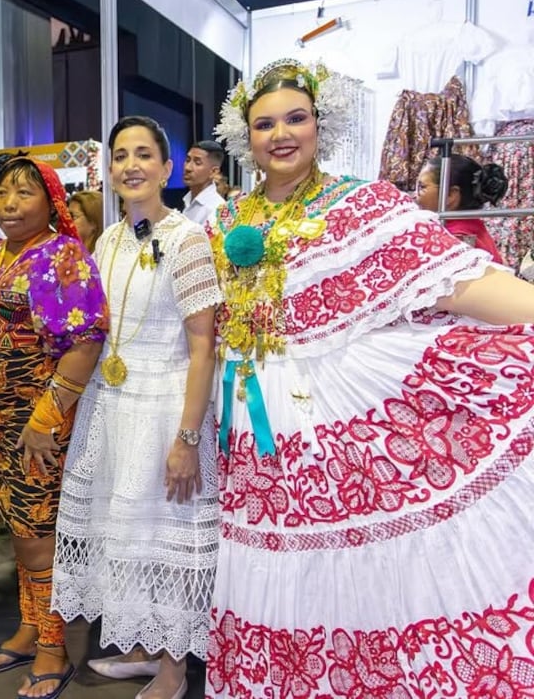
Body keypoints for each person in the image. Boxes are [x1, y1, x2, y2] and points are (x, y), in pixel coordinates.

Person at [205, 58, 534, 698]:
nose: (281, 135)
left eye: (296, 118)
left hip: (336, 423)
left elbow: (458, 281)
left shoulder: (363, 204)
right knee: (274, 565)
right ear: (245, 135)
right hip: (251, 420)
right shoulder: (225, 219)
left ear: (319, 124)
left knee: (354, 571)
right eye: (265, 123)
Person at [53, 117, 222, 699]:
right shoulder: (109, 239)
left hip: (164, 406)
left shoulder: (187, 238)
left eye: (144, 154)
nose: (130, 165)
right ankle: (143, 646)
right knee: (123, 532)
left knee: (165, 535)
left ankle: (174, 669)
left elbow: (204, 347)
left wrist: (188, 438)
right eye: (120, 155)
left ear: (167, 168)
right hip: (112, 401)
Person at [0, 157, 107, 699]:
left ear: (50, 200)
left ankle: (54, 647)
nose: (9, 204)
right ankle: (30, 628)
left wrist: (46, 417)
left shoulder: (62, 255)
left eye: (23, 193)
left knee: (38, 537)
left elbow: (87, 339)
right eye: (1, 193)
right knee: (19, 529)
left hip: (37, 423)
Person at [415, 153, 508, 263]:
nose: (415, 195)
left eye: (422, 187)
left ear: (450, 195)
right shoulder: (472, 226)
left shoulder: (455, 239)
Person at [180, 140, 224, 225]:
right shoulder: (187, 199)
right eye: (188, 160)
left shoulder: (216, 209)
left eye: (197, 163)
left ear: (214, 171)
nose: (188, 168)